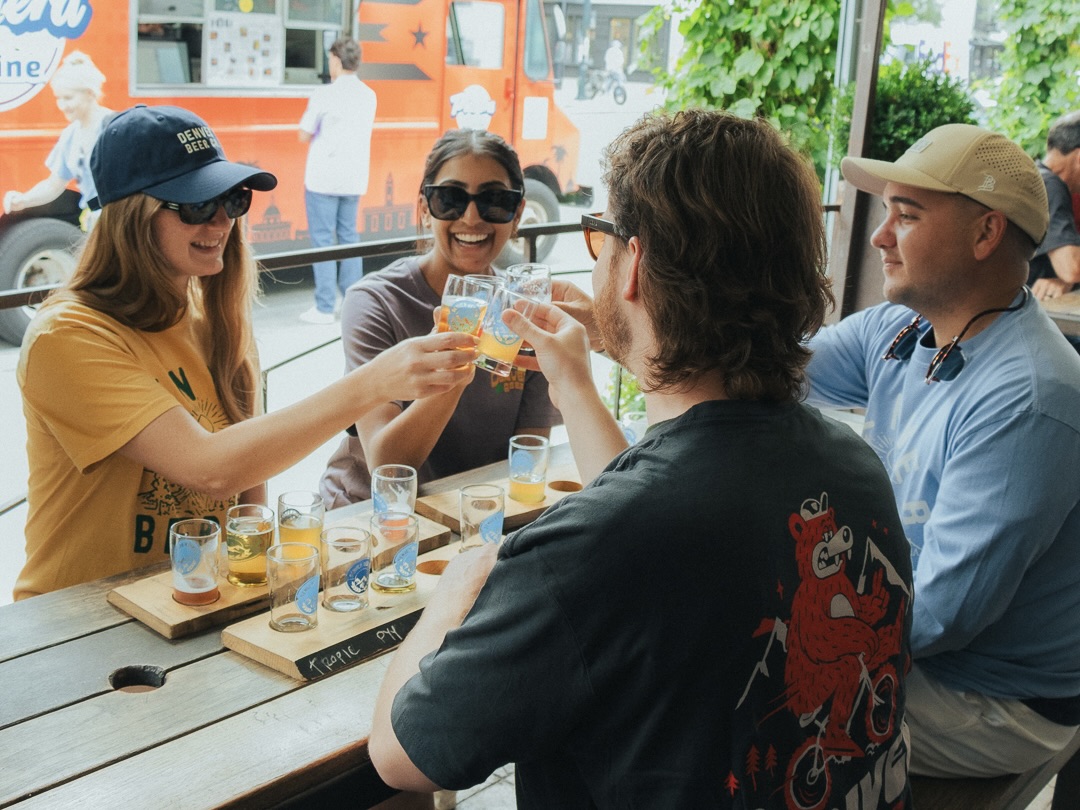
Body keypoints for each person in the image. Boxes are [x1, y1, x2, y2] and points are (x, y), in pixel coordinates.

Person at [369, 110, 913, 808]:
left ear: (636, 265)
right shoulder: (852, 464)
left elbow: (403, 755)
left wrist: (460, 584)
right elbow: (666, 508)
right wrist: (571, 380)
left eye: (602, 239)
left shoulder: (591, 549)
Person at [14, 104, 476, 601]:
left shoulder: (214, 320)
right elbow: (211, 470)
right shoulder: (65, 336)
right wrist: (373, 383)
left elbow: (247, 495)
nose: (221, 223)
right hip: (79, 613)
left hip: (196, 596)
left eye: (232, 200)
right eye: (195, 206)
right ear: (131, 216)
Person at [807, 123, 1080, 778]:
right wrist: (612, 322)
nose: (879, 235)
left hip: (995, 700)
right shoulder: (904, 328)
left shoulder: (1031, 398)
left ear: (986, 234)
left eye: (905, 215)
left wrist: (795, 617)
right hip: (920, 648)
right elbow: (771, 373)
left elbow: (938, 618)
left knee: (733, 696)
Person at [320, 129, 561, 507]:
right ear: (424, 207)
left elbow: (528, 456)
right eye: (450, 198)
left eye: (495, 200)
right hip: (369, 515)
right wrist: (453, 368)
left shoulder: (526, 312)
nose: (471, 217)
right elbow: (387, 465)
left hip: (474, 510)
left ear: (517, 215)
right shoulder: (376, 301)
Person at [297, 37, 377, 324]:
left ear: (335, 60)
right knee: (349, 239)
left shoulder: (324, 94)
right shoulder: (369, 95)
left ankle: (323, 306)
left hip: (323, 179)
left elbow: (304, 134)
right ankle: (353, 304)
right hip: (354, 178)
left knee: (323, 241)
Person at [3, 51, 113, 229]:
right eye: (59, 99)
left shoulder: (115, 127)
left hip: (122, 229)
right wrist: (24, 201)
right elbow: (54, 185)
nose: (62, 106)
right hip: (97, 228)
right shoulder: (71, 135)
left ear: (90, 93)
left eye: (68, 98)